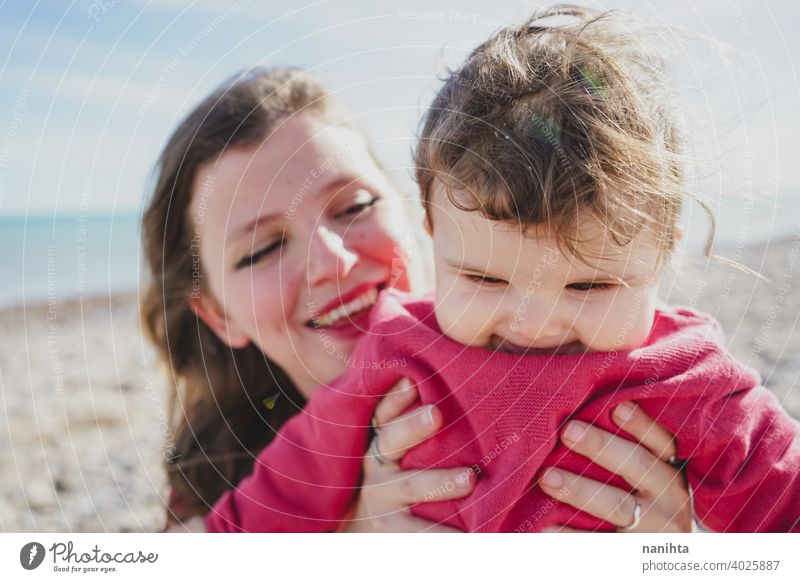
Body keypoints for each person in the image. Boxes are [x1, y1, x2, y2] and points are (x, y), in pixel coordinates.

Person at [199, 6, 800, 533]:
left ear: (664, 252)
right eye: (485, 280)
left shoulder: (685, 377)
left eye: (590, 284)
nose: (534, 323)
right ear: (433, 229)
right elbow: (280, 498)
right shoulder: (397, 350)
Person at [142, 63, 694, 532]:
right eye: (261, 250)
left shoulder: (618, 379)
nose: (333, 260)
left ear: (418, 215)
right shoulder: (215, 504)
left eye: (354, 206)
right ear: (217, 315)